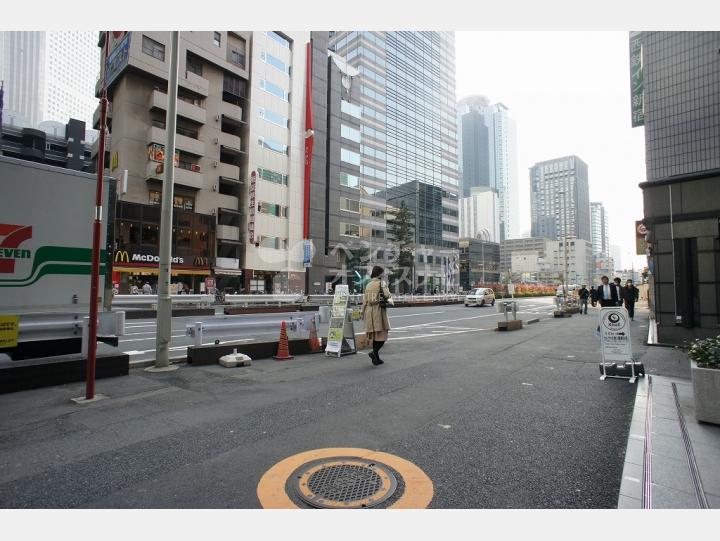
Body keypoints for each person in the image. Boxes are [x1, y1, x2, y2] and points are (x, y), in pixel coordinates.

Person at [361, 265, 393, 366]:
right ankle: (374, 353)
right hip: (378, 311)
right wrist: (390, 300)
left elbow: (365, 300)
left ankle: (376, 359)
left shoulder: (368, 284)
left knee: (375, 336)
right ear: (380, 274)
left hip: (369, 311)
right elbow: (387, 295)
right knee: (383, 335)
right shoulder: (382, 283)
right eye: (382, 273)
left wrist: (362, 313)